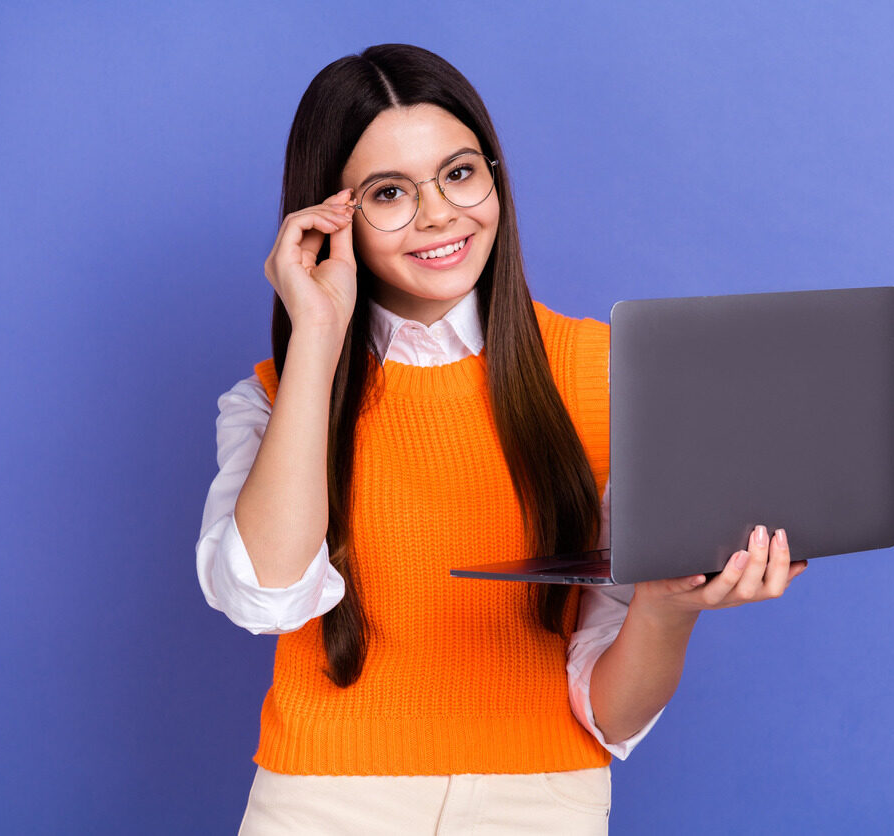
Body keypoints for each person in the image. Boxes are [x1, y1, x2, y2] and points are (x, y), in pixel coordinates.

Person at [196, 43, 808, 835]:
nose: (440, 215)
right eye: (389, 193)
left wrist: (665, 608)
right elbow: (266, 596)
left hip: (543, 805)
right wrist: (316, 333)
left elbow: (611, 717)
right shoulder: (271, 400)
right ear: (329, 219)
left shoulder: (610, 378)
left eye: (458, 173)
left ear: (494, 176)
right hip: (321, 803)